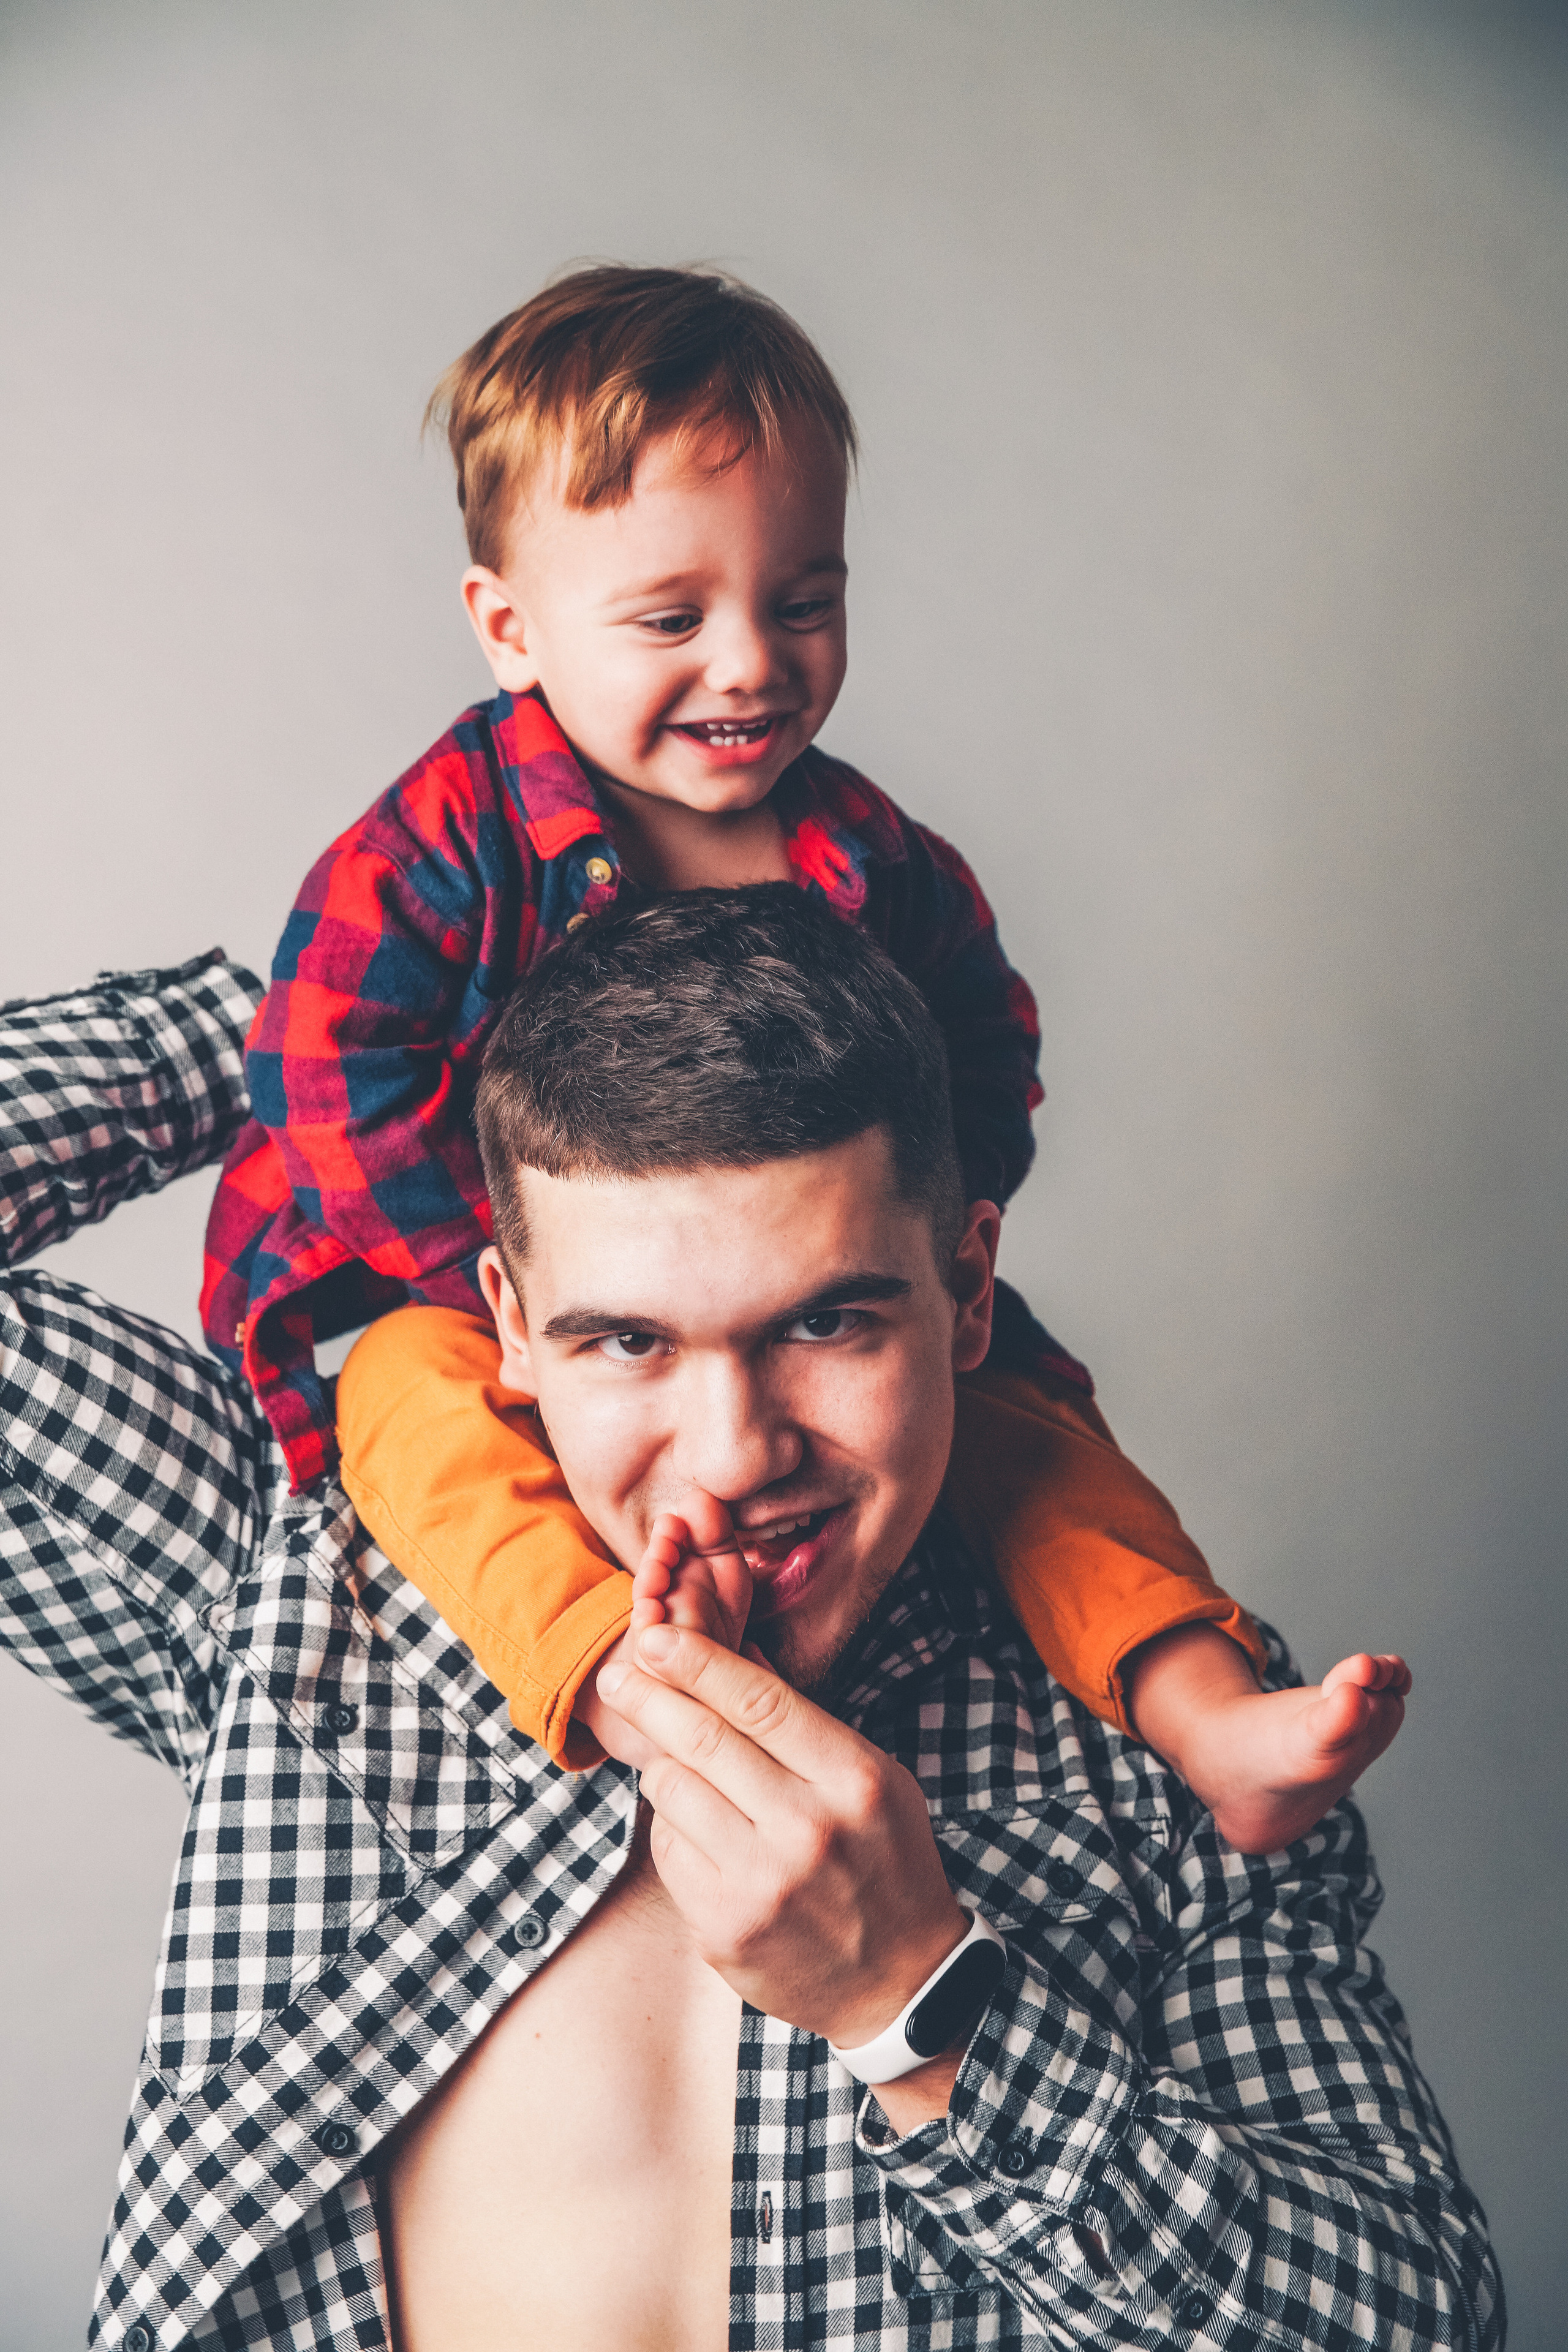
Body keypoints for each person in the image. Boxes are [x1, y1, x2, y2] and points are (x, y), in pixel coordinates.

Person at [0, 910, 1500, 2348]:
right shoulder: (300, 1590)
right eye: (625, 1342)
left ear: (966, 1292)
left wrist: (922, 2008)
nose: (732, 1456)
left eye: (824, 1324)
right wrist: (310, 1023)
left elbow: (1416, 2317)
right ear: (508, 1325)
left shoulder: (1166, 1730)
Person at [200, 262, 1407, 1852]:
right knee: (418, 1419)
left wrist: (919, 1219)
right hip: (452, 1277)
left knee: (1021, 1414)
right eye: (670, 619)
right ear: (511, 627)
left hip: (800, 1274)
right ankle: (626, 1669)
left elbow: (982, 1030)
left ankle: (1205, 1709)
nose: (751, 663)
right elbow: (326, 1076)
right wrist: (528, 1303)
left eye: (804, 600)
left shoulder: (873, 858)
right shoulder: (444, 845)